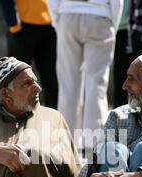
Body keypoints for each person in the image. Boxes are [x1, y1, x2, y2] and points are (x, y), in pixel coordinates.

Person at [48, 0, 123, 150]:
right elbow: (117, 2)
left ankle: (66, 142)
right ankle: (94, 144)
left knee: (68, 83)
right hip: (100, 16)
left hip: (67, 14)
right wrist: (112, 25)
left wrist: (57, 20)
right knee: (97, 84)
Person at [0, 0, 58, 108]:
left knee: (52, 78)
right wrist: (13, 25)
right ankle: (10, 118)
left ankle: (52, 118)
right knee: (14, 76)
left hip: (50, 27)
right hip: (22, 28)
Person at [113, 0, 134, 108]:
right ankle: (118, 109)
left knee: (123, 72)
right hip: (109, 25)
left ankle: (122, 108)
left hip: (125, 28)